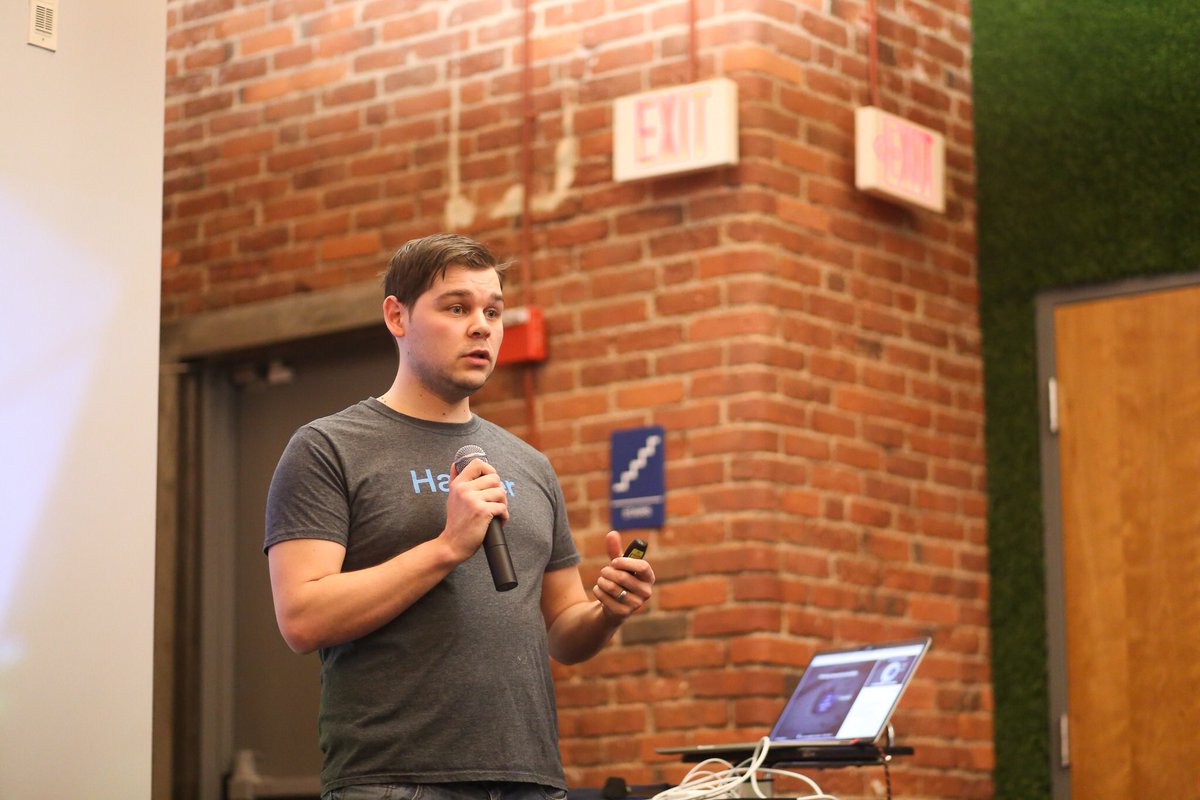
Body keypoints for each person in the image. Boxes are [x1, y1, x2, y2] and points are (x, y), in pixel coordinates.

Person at [264, 233, 656, 800]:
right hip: (396, 781)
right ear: (397, 316)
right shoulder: (329, 447)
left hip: (530, 779)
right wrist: (448, 546)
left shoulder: (530, 463)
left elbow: (565, 632)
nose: (482, 327)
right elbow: (302, 618)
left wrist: (608, 611)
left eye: (493, 311)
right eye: (457, 308)